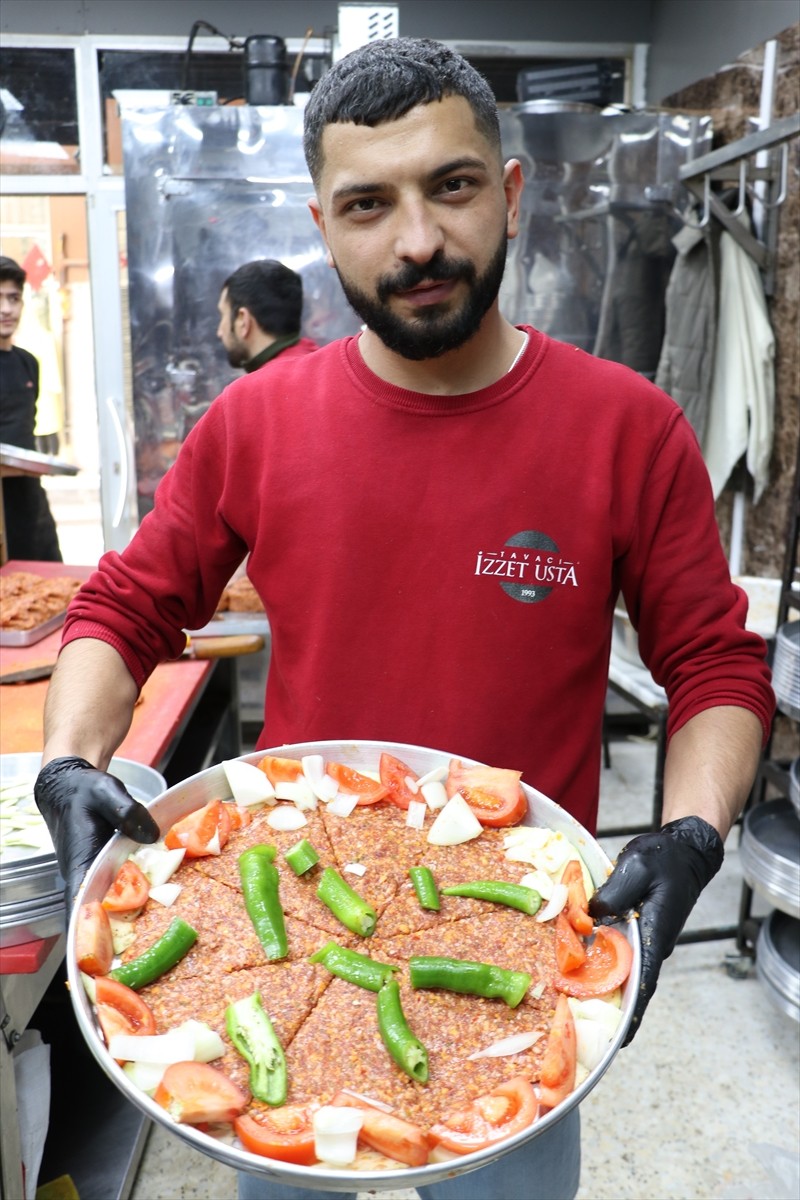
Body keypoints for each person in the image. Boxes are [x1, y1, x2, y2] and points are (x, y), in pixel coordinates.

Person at [35, 38, 774, 1200]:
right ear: (323, 227)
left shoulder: (627, 429)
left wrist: (689, 832)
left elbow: (714, 666)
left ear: (510, 193)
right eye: (367, 205)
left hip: (518, 945)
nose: (417, 239)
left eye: (452, 185)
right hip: (284, 941)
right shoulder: (255, 422)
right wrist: (69, 761)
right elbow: (126, 606)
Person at [0, 255, 62, 561]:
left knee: (49, 576)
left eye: (13, 298)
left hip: (30, 497)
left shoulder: (28, 363)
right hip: (0, 506)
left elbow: (27, 429)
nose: (6, 309)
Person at [216, 258, 318, 372]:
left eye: (223, 315)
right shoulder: (324, 364)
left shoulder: (253, 383)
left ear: (242, 320)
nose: (219, 332)